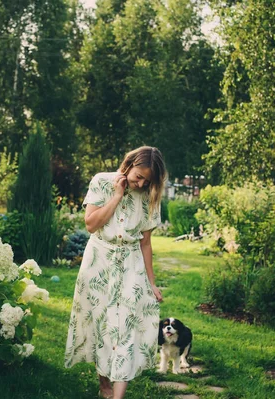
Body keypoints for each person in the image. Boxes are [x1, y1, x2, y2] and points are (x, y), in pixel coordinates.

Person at [64, 146, 167, 399]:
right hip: (99, 260)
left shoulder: (150, 196)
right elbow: (91, 224)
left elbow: (145, 243)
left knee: (126, 326)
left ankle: (117, 396)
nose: (141, 183)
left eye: (147, 180)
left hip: (131, 263)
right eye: (138, 176)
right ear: (129, 164)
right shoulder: (102, 181)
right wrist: (117, 196)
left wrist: (151, 283)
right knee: (101, 323)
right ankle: (104, 385)